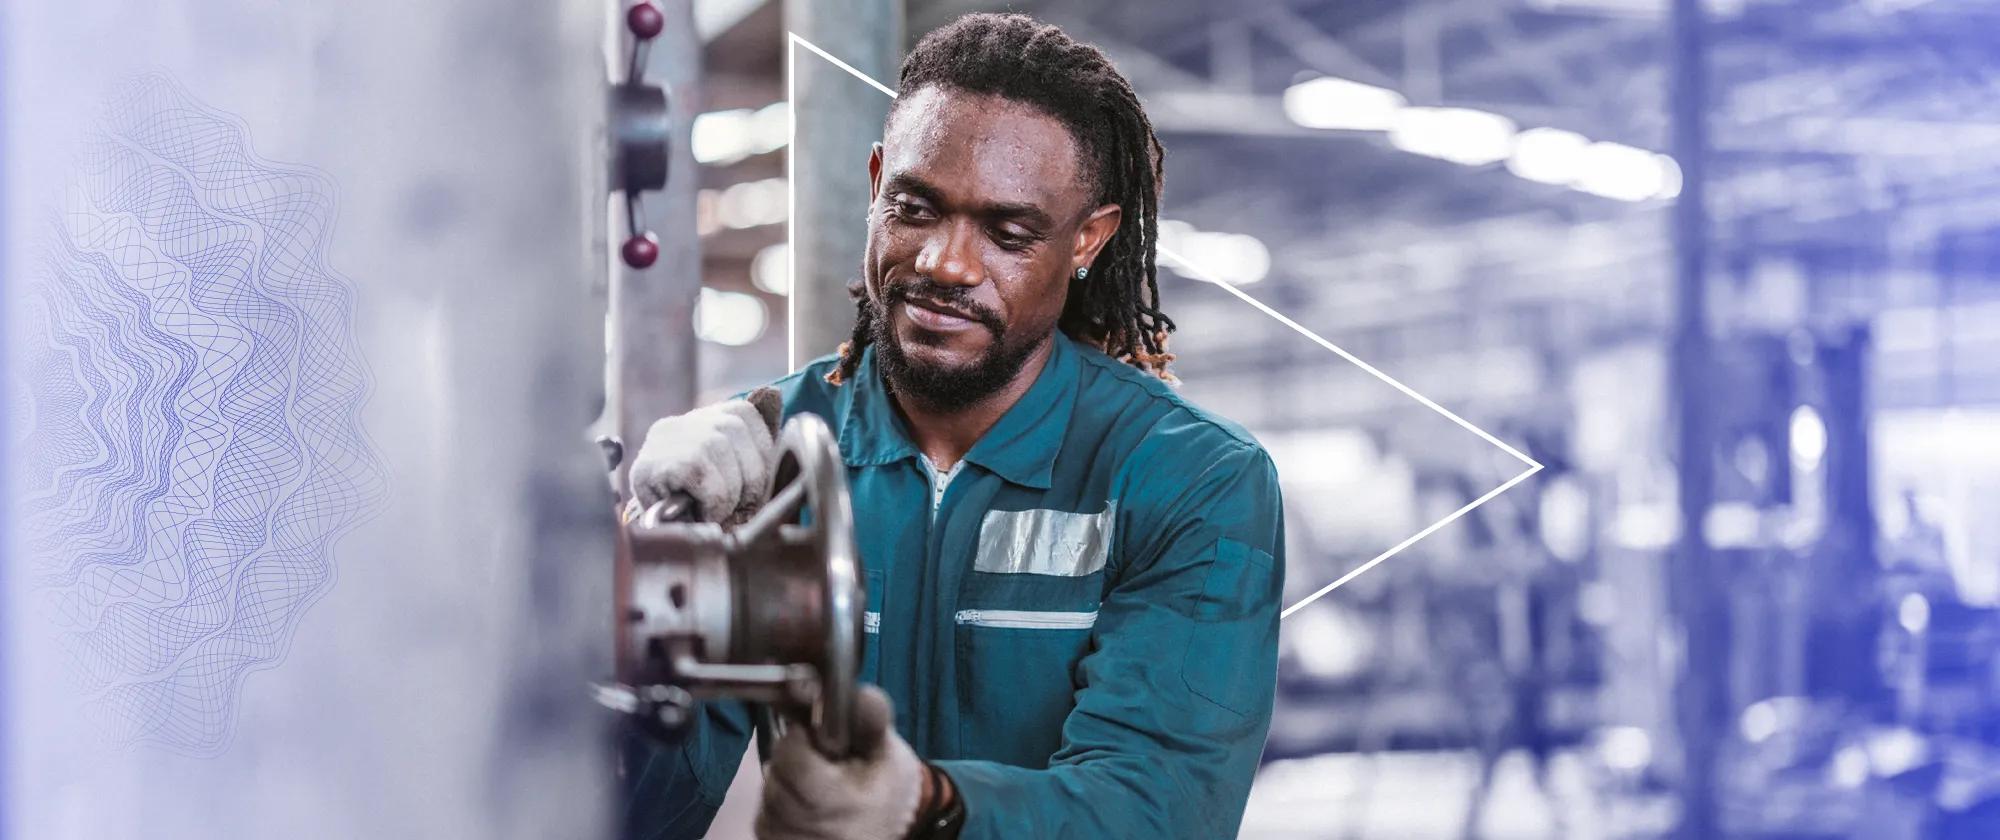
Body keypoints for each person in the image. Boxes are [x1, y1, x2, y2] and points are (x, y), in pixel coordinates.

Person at [622, 13, 1285, 839]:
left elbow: (1161, 806)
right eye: (914, 207)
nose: (945, 264)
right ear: (874, 184)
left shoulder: (1189, 477)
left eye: (1008, 234)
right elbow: (629, 813)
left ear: (1088, 240)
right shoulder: (777, 459)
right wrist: (648, 562)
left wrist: (929, 808)